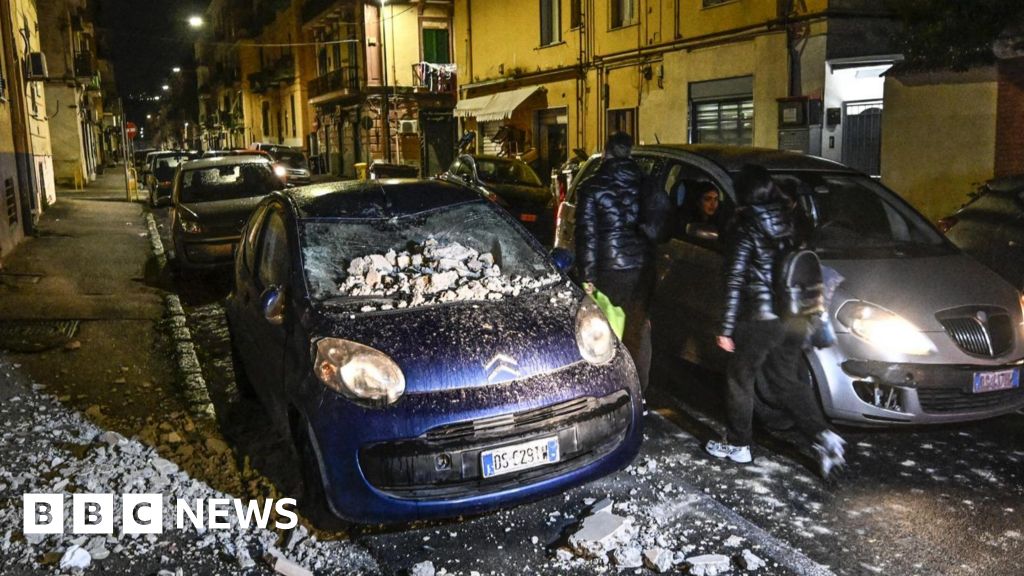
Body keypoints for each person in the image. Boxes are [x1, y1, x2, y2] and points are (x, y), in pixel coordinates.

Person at [706, 164, 846, 478]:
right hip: (795, 314)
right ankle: (824, 436)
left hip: (761, 316)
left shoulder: (746, 228)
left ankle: (739, 445)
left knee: (739, 377)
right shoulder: (792, 220)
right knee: (785, 380)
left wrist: (726, 329)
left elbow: (735, 280)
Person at [574, 131, 653, 391]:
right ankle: (638, 391)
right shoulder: (644, 182)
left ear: (606, 153)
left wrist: (587, 275)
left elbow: (587, 233)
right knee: (638, 330)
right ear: (629, 153)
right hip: (640, 267)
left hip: (608, 269)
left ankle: (609, 387)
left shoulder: (593, 186)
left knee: (602, 329)